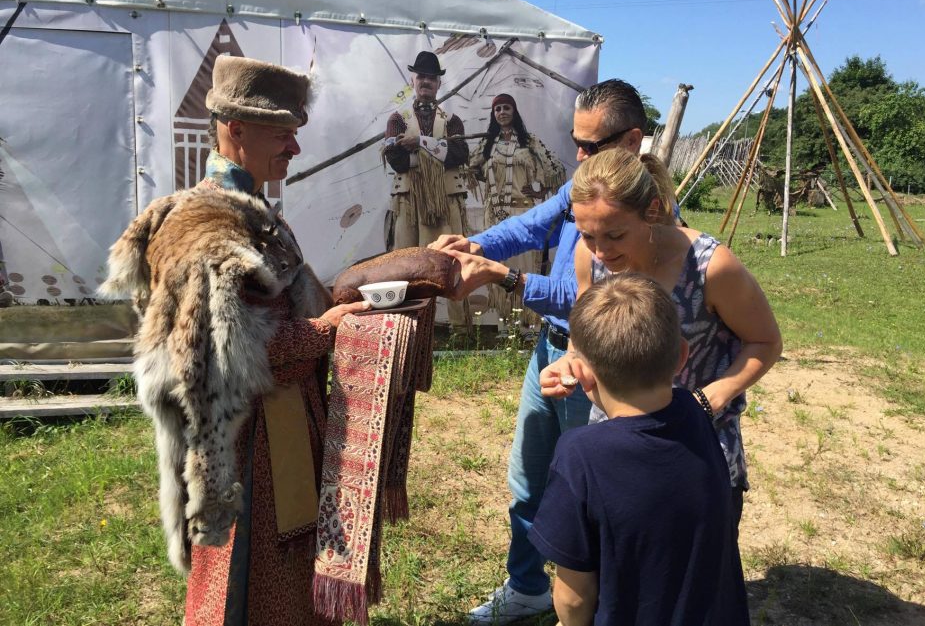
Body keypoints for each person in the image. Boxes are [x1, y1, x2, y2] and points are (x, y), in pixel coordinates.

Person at [120, 55, 368, 626]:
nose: (294, 150)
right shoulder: (207, 221)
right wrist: (328, 329)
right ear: (236, 129)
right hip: (249, 444)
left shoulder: (248, 211)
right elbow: (225, 356)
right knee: (251, 581)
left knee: (281, 573)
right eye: (284, 135)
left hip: (279, 426)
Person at [429, 80, 647, 623]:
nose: (579, 155)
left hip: (594, 370)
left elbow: (597, 300)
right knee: (527, 483)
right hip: (548, 356)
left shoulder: (647, 217)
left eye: (591, 146)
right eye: (576, 142)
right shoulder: (581, 185)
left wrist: (506, 280)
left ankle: (599, 605)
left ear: (633, 141)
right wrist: (475, 246)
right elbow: (532, 223)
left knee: (591, 498)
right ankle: (528, 589)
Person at [541, 147, 783, 534]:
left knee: (693, 575)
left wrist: (712, 398)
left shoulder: (710, 266)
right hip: (614, 443)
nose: (601, 251)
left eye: (615, 234)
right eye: (587, 236)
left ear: (652, 211)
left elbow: (766, 342)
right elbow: (584, 337)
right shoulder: (591, 259)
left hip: (695, 446)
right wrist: (570, 361)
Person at [531, 273, 751, 626]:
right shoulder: (696, 414)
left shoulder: (580, 454)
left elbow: (574, 596)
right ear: (681, 355)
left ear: (581, 373)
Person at [382, 50, 470, 330]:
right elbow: (395, 160)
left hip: (444, 202)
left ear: (439, 83)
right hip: (409, 202)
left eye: (432, 78)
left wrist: (418, 142)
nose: (426, 82)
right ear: (413, 80)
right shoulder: (397, 119)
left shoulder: (452, 119)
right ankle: (405, 325)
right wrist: (434, 152)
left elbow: (460, 153)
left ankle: (459, 329)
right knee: (406, 262)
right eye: (422, 76)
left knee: (451, 260)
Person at [468, 93, 566, 327]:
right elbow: (470, 168)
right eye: (498, 109)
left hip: (523, 213)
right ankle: (505, 324)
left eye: (506, 108)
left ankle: (529, 324)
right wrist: (488, 180)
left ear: (514, 112)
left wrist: (541, 190)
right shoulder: (487, 144)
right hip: (495, 214)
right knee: (499, 269)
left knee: (525, 270)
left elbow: (556, 168)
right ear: (494, 115)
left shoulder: (529, 142)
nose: (502, 112)